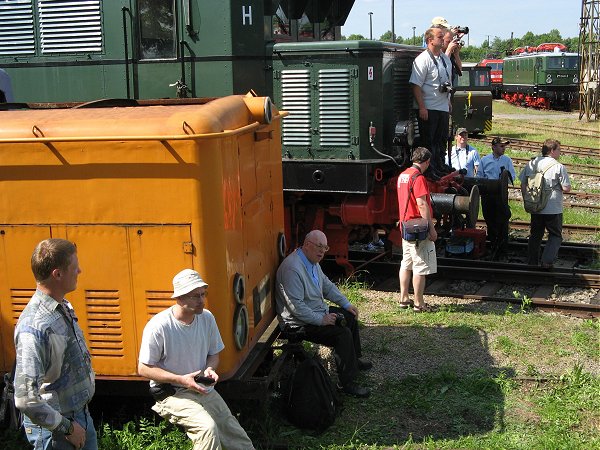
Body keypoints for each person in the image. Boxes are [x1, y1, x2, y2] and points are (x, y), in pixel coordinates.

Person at [138, 269, 254, 450]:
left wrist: (210, 369)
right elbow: (143, 369)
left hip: (200, 386)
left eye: (203, 294)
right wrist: (181, 380)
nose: (202, 300)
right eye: (195, 296)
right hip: (171, 391)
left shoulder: (206, 317)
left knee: (234, 433)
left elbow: (214, 355)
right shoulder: (159, 326)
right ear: (179, 298)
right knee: (207, 428)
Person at [14, 238, 97, 450]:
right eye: (74, 266)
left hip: (79, 416)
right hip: (57, 430)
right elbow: (25, 399)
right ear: (57, 274)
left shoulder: (62, 306)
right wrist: (67, 428)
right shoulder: (34, 326)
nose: (80, 270)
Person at [275, 230, 372, 398]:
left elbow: (326, 285)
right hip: (297, 322)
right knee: (342, 334)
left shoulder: (312, 261)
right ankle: (346, 384)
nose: (322, 251)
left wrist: (346, 304)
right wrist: (322, 320)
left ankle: (354, 361)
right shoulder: (293, 268)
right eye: (319, 246)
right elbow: (295, 307)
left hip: (316, 312)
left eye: (325, 247)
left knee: (349, 317)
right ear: (306, 245)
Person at [519, 139, 571, 269]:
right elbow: (566, 188)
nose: (560, 152)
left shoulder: (532, 163)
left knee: (535, 234)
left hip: (535, 206)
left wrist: (528, 198)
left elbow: (523, 183)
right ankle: (546, 262)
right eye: (559, 149)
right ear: (552, 151)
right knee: (555, 235)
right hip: (553, 208)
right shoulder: (558, 166)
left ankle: (532, 262)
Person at [397, 147, 438, 312]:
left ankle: (404, 298)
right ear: (426, 162)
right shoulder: (418, 178)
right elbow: (422, 204)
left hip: (405, 226)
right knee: (420, 265)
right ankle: (419, 303)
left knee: (406, 263)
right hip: (418, 228)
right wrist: (431, 228)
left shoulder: (403, 176)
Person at [409, 27, 453, 175]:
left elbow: (447, 82)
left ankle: (440, 166)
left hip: (442, 107)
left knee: (441, 140)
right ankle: (429, 170)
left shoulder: (445, 58)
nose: (443, 39)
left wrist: (448, 101)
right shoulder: (423, 59)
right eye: (439, 37)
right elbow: (415, 85)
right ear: (430, 40)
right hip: (429, 107)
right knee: (429, 141)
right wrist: (422, 107)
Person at [478, 137, 517, 252]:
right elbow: (479, 176)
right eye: (501, 146)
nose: (504, 148)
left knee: (502, 220)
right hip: (488, 194)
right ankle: (493, 243)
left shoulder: (507, 160)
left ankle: (502, 245)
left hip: (501, 194)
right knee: (490, 219)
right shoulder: (485, 160)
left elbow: (512, 177)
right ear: (494, 147)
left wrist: (505, 179)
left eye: (504, 146)